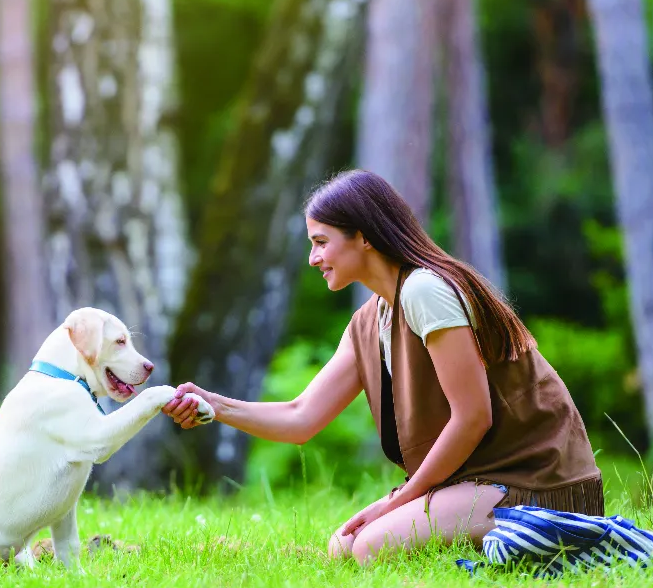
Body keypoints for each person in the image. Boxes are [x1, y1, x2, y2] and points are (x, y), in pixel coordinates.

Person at [162, 169, 603, 564]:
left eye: (321, 242)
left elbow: (473, 416)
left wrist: (399, 500)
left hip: (535, 481)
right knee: (344, 549)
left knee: (372, 546)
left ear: (364, 236)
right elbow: (301, 417)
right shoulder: (371, 319)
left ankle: (553, 542)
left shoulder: (425, 291)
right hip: (477, 480)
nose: (313, 258)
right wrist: (213, 405)